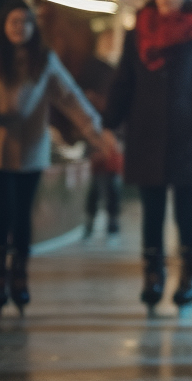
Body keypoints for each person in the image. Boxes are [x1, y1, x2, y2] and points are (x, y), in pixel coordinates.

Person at [106, 0, 192, 314]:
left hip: (186, 135)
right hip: (146, 134)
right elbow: (124, 80)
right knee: (152, 210)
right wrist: (110, 120)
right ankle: (152, 274)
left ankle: (190, 274)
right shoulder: (136, 33)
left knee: (186, 211)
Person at [0, 0, 116, 317]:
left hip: (30, 151)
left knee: (22, 215)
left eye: (26, 22)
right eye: (14, 22)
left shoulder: (44, 61)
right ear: (3, 27)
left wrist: (96, 133)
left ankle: (19, 272)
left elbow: (71, 98)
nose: (20, 28)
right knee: (0, 212)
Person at [77, 52, 121, 240]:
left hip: (111, 150)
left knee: (110, 186)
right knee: (95, 188)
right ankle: (92, 222)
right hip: (96, 149)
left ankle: (111, 222)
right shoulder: (92, 105)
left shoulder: (110, 104)